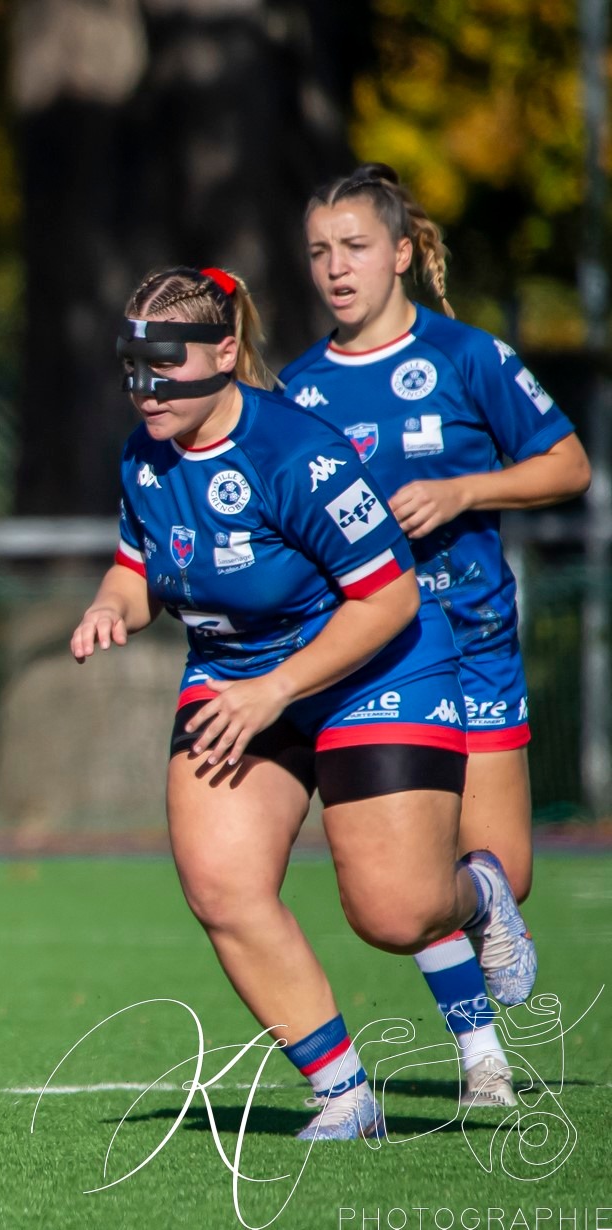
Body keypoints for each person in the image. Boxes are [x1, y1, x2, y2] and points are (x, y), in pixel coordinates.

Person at [70, 265, 536, 1140]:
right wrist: (111, 606)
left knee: (395, 915)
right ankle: (344, 1091)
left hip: (376, 667)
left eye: (163, 367)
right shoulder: (144, 454)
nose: (145, 390)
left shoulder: (296, 452)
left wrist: (275, 690)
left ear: (223, 352)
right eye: (131, 368)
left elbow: (390, 597)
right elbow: (138, 567)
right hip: (235, 673)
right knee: (222, 886)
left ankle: (478, 894)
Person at [281, 164, 590, 1106]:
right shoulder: (295, 392)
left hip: (480, 641)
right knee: (408, 882)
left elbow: (568, 465)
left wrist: (464, 490)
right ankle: (482, 1058)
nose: (337, 269)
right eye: (320, 253)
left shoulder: (467, 358)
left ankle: (483, 963)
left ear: (404, 253)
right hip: (380, 664)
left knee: (502, 874)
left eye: (357, 247)